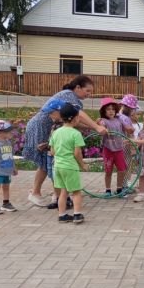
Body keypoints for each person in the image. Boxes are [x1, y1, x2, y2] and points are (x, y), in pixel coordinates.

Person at [22, 75, 106, 207]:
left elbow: (74, 121)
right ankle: (37, 193)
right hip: (40, 128)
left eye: (91, 92)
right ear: (77, 87)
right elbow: (79, 114)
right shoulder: (68, 95)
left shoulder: (72, 100)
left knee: (50, 162)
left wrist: (93, 128)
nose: (89, 94)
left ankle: (57, 194)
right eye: (87, 91)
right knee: (47, 162)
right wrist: (96, 127)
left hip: (48, 129)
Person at [49, 103, 89, 224]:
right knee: (76, 192)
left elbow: (52, 151)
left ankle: (62, 215)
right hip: (70, 167)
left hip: (58, 166)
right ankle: (77, 215)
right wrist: (82, 165)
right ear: (75, 118)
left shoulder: (56, 132)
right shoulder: (75, 134)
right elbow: (77, 153)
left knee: (63, 192)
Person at [97, 97, 128, 197]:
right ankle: (108, 190)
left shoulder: (119, 120)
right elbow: (100, 125)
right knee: (108, 171)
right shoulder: (104, 121)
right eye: (108, 109)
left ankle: (119, 189)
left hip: (119, 149)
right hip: (108, 149)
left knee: (122, 170)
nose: (111, 111)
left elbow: (126, 128)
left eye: (113, 109)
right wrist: (100, 126)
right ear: (104, 111)